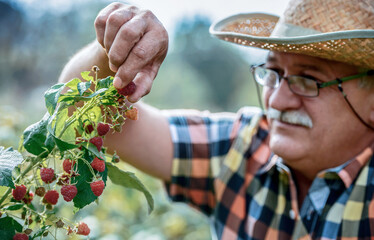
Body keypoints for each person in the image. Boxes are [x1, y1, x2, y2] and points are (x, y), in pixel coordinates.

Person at [58, 0, 374, 239]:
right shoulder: (241, 146)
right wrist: (114, 52)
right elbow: (78, 113)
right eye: (274, 73)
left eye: (309, 81)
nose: (276, 100)